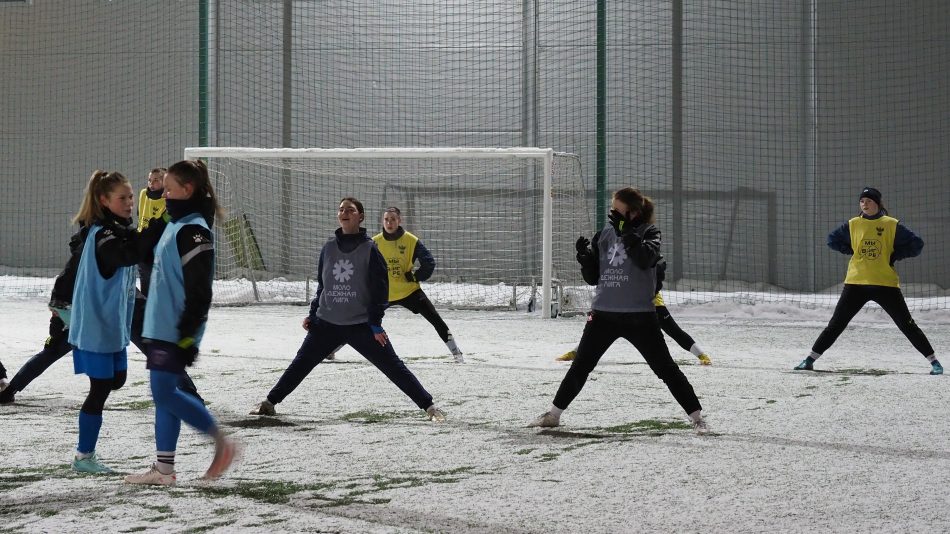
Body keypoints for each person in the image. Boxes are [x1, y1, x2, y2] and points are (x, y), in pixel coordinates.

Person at [249, 197, 446, 423]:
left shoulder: (371, 249)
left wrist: (374, 323)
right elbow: (323, 286)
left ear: (360, 217)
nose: (344, 213)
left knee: (393, 366)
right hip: (326, 324)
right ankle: (269, 403)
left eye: (350, 210)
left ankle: (430, 407)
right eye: (341, 209)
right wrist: (313, 315)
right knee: (300, 363)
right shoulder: (328, 248)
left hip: (360, 325)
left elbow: (381, 290)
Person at [529, 187, 709, 434]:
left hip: (640, 317)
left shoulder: (650, 233)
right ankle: (553, 415)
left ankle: (698, 418)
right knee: (581, 365)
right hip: (603, 315)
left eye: (617, 210)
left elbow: (645, 258)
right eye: (611, 209)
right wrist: (585, 258)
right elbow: (593, 278)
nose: (611, 214)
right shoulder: (603, 235)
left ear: (633, 213)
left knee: (666, 369)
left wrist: (628, 234)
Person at [125, 160, 237, 486]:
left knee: (164, 393)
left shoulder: (194, 231)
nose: (163, 195)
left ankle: (222, 445)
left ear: (186, 190)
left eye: (169, 189)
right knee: (166, 394)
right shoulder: (176, 224)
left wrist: (187, 335)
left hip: (174, 331)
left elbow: (200, 291)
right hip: (160, 327)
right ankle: (164, 469)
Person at [794, 187, 942, 375]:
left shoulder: (891, 224)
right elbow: (832, 240)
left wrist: (895, 255)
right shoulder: (853, 224)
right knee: (836, 324)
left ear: (878, 203)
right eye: (862, 201)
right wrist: (852, 251)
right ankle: (809, 360)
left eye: (869, 201)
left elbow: (917, 244)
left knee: (907, 325)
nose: (865, 204)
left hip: (884, 284)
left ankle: (934, 362)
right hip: (856, 283)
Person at [67, 170, 140, 474]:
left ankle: (85, 454)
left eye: (131, 197)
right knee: (100, 388)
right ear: (104, 200)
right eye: (122, 198)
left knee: (116, 380)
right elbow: (125, 255)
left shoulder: (118, 230)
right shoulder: (103, 236)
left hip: (113, 327)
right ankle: (84, 457)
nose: (129, 202)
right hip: (96, 327)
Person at [555, 260, 712, 365]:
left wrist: (656, 270)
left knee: (671, 329)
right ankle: (575, 353)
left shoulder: (644, 244)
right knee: (598, 330)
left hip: (649, 302)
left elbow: (654, 268)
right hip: (624, 302)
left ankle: (701, 355)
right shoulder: (618, 248)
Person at [372, 206, 463, 363]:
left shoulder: (411, 240)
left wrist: (415, 276)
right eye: (386, 219)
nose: (389, 222)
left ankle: (457, 353)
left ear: (399, 221)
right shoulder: (374, 242)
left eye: (393, 219)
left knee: (435, 319)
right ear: (382, 221)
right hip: (385, 292)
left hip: (409, 292)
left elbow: (429, 262)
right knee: (359, 321)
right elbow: (365, 265)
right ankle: (332, 351)